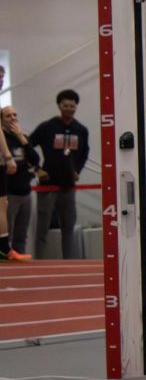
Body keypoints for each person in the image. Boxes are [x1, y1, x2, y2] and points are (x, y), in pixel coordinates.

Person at [29, 89, 89, 259]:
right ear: (59, 106)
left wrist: (77, 170)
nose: (69, 108)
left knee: (68, 227)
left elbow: (84, 153)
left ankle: (68, 263)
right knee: (42, 228)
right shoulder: (47, 127)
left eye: (72, 105)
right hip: (47, 187)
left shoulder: (81, 130)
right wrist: (37, 169)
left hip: (68, 187)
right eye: (66, 105)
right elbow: (28, 146)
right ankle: (38, 261)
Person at [1, 106, 38, 260]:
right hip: (10, 191)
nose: (13, 118)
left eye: (15, 114)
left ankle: (17, 258)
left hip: (25, 191)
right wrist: (9, 158)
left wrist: (22, 139)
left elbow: (35, 160)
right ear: (2, 120)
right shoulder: (3, 138)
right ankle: (5, 253)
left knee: (21, 233)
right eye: (9, 115)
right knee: (7, 229)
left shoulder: (22, 137)